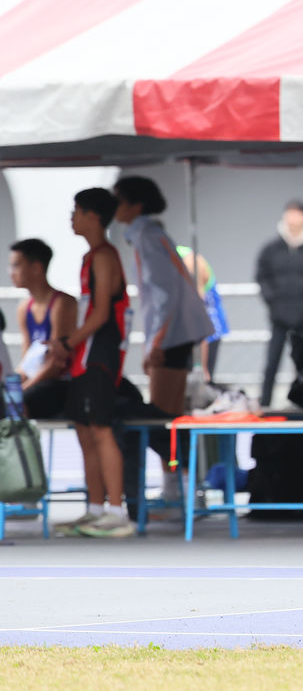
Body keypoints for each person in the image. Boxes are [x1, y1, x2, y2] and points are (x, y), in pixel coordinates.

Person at [48, 188, 133, 538]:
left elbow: (100, 315)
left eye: (77, 211)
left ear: (93, 216)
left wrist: (67, 343)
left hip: (100, 354)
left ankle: (116, 511)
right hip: (84, 356)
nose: (72, 217)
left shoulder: (104, 256)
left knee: (100, 428)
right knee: (84, 430)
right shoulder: (90, 257)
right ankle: (95, 508)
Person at [113, 176, 215, 416]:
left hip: (170, 336)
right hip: (174, 334)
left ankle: (169, 446)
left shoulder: (147, 237)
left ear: (136, 205)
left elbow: (164, 294)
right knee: (171, 413)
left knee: (162, 415)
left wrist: (157, 342)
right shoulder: (150, 235)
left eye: (119, 200)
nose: (114, 206)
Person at [255, 200, 303, 407]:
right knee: (272, 361)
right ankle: (265, 403)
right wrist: (272, 301)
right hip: (279, 315)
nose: (292, 218)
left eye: (297, 213)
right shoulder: (271, 248)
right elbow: (262, 276)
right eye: (289, 213)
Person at [9, 239, 76, 419]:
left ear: (36, 268)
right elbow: (26, 362)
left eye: (16, 265)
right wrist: (13, 387)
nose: (11, 273)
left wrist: (23, 389)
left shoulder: (61, 303)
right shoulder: (24, 308)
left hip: (61, 383)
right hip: (38, 381)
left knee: (20, 403)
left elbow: (56, 363)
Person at [175, 245, 229, 383]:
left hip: (206, 330)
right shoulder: (171, 257)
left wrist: (203, 368)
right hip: (190, 330)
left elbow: (198, 314)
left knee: (201, 381)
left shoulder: (189, 261)